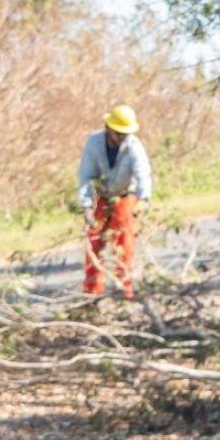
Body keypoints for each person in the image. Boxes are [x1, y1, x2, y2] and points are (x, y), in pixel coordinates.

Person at [77, 104, 152, 299]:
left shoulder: (134, 146)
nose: (122, 137)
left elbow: (143, 174)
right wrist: (86, 206)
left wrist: (143, 200)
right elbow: (85, 176)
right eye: (118, 133)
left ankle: (124, 289)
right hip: (101, 198)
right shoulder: (94, 143)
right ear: (108, 128)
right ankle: (92, 292)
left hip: (125, 197)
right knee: (94, 242)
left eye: (125, 134)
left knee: (124, 242)